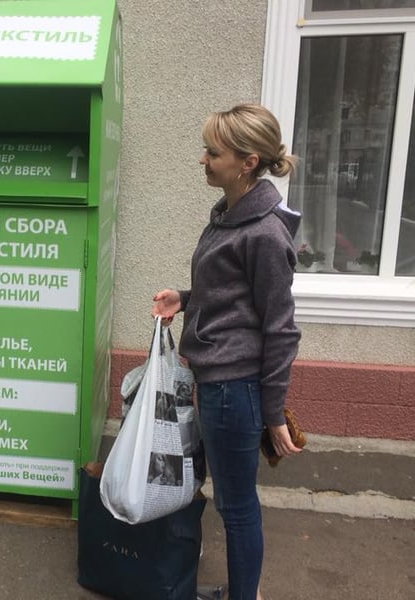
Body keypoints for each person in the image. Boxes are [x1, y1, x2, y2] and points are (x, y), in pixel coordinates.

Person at [152, 103, 303, 600]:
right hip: (218, 382)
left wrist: (273, 413)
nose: (203, 160)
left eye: (213, 152)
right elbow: (232, 296)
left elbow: (280, 329)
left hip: (234, 390)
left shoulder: (264, 233)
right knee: (233, 505)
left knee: (237, 509)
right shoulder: (229, 215)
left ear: (247, 162)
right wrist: (186, 298)